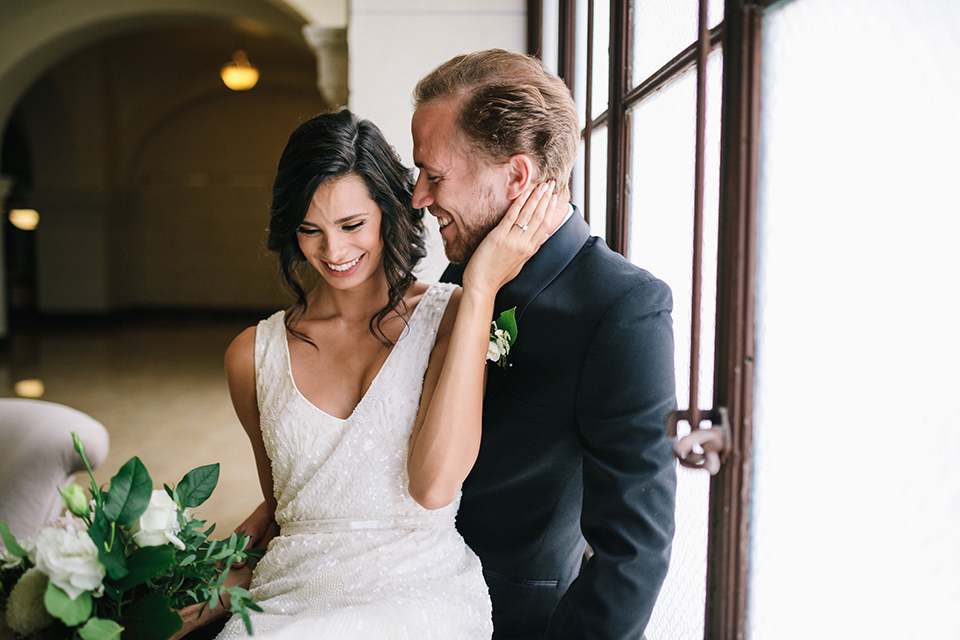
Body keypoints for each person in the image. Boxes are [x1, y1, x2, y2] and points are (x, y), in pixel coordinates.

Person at [175, 108, 556, 639]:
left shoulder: (453, 318)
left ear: (388, 212)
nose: (333, 252)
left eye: (352, 225)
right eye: (310, 231)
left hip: (418, 597)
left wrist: (482, 289)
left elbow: (436, 483)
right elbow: (287, 513)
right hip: (287, 599)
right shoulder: (251, 356)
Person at [411, 49, 678, 639]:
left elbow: (634, 552)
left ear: (516, 176)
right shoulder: (460, 280)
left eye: (434, 176)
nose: (419, 199)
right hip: (403, 595)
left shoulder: (622, 307)